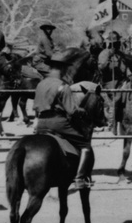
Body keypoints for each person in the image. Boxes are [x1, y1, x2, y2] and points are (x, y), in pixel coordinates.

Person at [32, 52, 93, 189]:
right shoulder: (62, 86)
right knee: (85, 145)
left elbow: (35, 106)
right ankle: (79, 179)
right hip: (57, 122)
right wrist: (82, 111)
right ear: (62, 69)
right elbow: (71, 111)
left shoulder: (40, 84)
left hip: (41, 121)